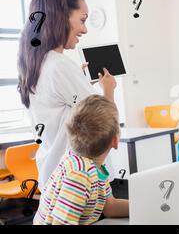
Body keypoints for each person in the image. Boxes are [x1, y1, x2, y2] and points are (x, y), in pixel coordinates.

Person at [17, 0, 117, 190]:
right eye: (82, 20)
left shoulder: (37, 64)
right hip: (78, 183)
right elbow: (104, 128)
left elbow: (62, 110)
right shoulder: (59, 65)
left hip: (54, 177)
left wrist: (78, 82)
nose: (85, 30)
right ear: (61, 16)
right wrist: (109, 90)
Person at [34, 95, 129, 225]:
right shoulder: (80, 174)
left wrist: (141, 206)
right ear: (115, 141)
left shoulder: (95, 165)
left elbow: (110, 207)